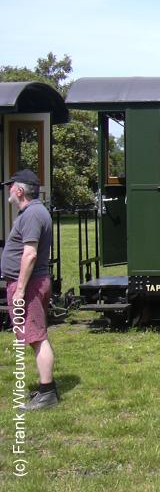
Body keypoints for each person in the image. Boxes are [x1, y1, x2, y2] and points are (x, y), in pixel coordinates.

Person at [2, 169, 57, 410]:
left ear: (20, 190)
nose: (8, 190)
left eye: (10, 186)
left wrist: (20, 289)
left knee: (36, 337)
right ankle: (45, 389)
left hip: (30, 284)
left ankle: (47, 394)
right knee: (36, 336)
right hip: (31, 283)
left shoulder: (33, 214)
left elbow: (30, 253)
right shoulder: (32, 212)